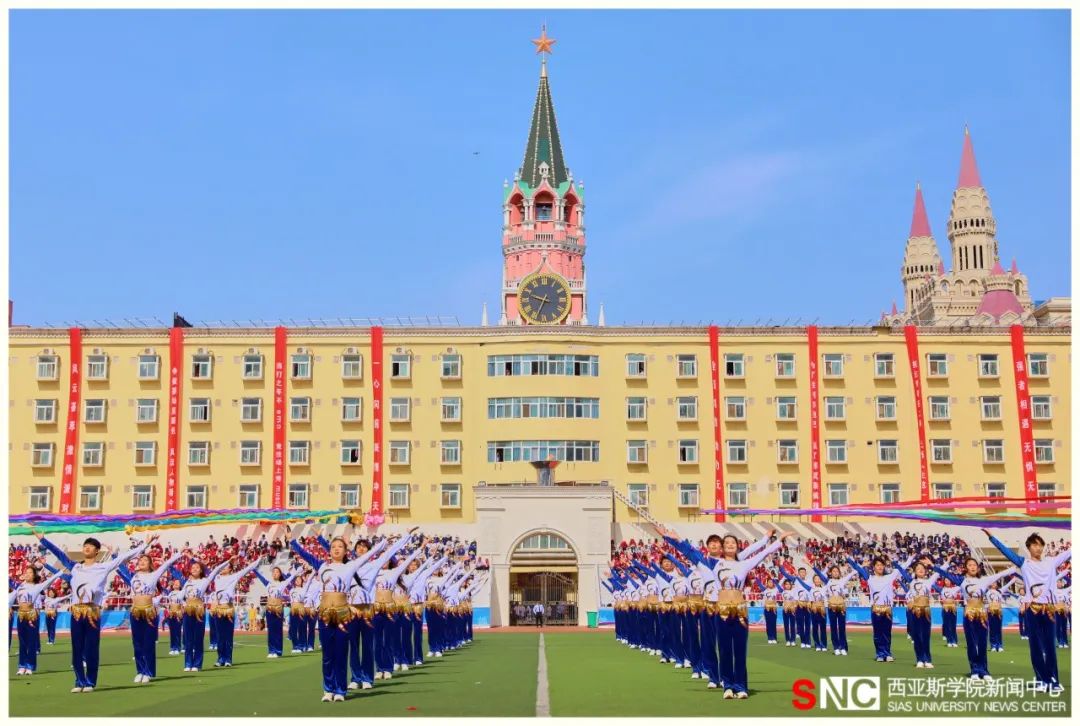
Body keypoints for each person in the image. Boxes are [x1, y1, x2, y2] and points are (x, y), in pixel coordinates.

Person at [290, 525, 415, 702]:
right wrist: (292, 541)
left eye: (340, 547)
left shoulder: (351, 566)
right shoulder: (322, 566)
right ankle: (328, 690)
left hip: (344, 614)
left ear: (345, 551)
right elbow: (305, 555)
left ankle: (340, 690)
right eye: (333, 547)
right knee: (327, 655)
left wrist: (403, 537)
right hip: (325, 614)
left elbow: (379, 552)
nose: (336, 549)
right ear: (329, 550)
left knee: (342, 653)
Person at [35, 531, 149, 692]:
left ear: (97, 551)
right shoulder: (75, 567)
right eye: (85, 546)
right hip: (76, 612)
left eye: (90, 546)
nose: (87, 548)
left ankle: (90, 682)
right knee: (77, 648)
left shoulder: (103, 567)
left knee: (91, 647)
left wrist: (145, 545)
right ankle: (79, 681)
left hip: (92, 612)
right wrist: (43, 540)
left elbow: (124, 558)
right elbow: (59, 554)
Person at [684, 532, 788, 699]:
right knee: (724, 649)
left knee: (740, 650)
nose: (730, 544)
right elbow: (691, 553)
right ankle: (728, 686)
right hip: (722, 612)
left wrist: (777, 541)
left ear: (737, 546)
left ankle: (741, 686)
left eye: (733, 542)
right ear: (722, 548)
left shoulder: (744, 564)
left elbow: (762, 554)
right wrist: (673, 538)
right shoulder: (713, 563)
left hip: (740, 612)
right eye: (727, 543)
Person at [984, 529, 1070, 693]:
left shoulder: (1051, 562)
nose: (1038, 548)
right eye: (1035, 545)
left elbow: (1070, 552)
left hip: (1049, 609)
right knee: (1035, 646)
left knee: (1050, 647)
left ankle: (1053, 681)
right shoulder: (1024, 563)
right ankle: (1041, 680)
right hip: (1033, 609)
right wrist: (991, 537)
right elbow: (1006, 552)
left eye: (1040, 545)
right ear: (1029, 547)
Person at [932, 557, 1017, 680]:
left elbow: (999, 575)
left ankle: (984, 670)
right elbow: (945, 574)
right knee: (971, 643)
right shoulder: (962, 580)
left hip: (982, 614)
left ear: (978, 568)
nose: (972, 567)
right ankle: (974, 670)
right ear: (966, 568)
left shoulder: (984, 580)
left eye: (974, 565)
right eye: (970, 565)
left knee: (982, 642)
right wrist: (932, 566)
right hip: (969, 614)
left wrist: (1014, 569)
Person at [112, 540, 181, 682]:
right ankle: (140, 671)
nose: (142, 562)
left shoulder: (154, 575)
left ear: (150, 564)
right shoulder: (133, 576)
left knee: (148, 642)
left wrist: (178, 554)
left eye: (145, 560)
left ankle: (148, 672)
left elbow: (166, 565)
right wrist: (113, 554)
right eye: (140, 560)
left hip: (149, 612)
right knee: (137, 642)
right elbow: (120, 565)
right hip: (135, 612)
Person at [847, 553, 914, 663]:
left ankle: (887, 653)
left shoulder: (889, 577)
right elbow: (857, 568)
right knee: (877, 633)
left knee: (887, 632)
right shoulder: (870, 578)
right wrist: (848, 557)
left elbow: (902, 567)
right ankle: (879, 654)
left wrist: (911, 557)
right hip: (876, 609)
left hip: (887, 609)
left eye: (882, 565)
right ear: (873, 567)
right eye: (877, 565)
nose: (880, 567)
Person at [174, 556, 232, 672]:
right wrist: (184, 603)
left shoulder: (205, 581)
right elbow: (180, 596)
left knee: (198, 639)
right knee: (188, 639)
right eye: (193, 567)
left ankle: (197, 664)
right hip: (188, 612)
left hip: (199, 611)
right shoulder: (188, 582)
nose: (194, 569)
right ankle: (188, 663)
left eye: (197, 567)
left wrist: (228, 561)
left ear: (201, 570)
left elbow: (215, 571)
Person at [209, 556, 265, 667]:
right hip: (219, 609)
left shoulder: (234, 576)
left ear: (230, 569)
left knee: (228, 635)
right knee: (220, 636)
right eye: (222, 566)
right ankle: (220, 659)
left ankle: (228, 659)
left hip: (229, 609)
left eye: (226, 567)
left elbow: (248, 569)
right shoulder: (217, 577)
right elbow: (215, 569)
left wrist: (259, 559)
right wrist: (228, 560)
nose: (223, 568)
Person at [9, 566, 63, 675]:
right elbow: (10, 596)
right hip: (21, 615)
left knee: (31, 641)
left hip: (31, 615)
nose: (27, 574)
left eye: (30, 572)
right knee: (22, 641)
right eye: (26, 572)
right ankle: (22, 666)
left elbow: (49, 581)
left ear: (34, 575)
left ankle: (30, 666)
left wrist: (59, 573)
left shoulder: (37, 586)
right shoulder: (19, 586)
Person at [255, 563, 300, 658]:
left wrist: (298, 570)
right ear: (272, 574)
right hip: (269, 609)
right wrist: (253, 569)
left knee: (278, 630)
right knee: (271, 630)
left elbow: (292, 577)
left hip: (279, 609)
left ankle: (278, 651)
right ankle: (271, 651)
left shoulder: (283, 583)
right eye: (274, 572)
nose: (275, 573)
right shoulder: (268, 584)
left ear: (280, 574)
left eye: (277, 572)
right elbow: (260, 577)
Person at [813, 564, 858, 655]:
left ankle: (843, 647)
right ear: (830, 573)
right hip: (832, 607)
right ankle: (836, 647)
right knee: (833, 627)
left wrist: (860, 566)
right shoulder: (828, 581)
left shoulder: (842, 580)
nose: (835, 573)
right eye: (833, 571)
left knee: (842, 627)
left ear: (839, 573)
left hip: (841, 607)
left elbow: (852, 573)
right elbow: (819, 573)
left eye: (837, 571)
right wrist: (810, 565)